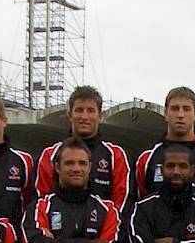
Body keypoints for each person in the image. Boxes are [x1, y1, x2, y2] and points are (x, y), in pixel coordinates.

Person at [34, 85, 133, 214]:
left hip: (104, 226)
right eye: (79, 110)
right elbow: (42, 201)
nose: (84, 117)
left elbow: (122, 203)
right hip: (59, 226)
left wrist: (108, 224)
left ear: (100, 116)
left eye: (90, 111)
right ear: (70, 115)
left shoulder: (116, 156)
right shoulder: (50, 155)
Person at [134, 85, 195, 207]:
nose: (180, 115)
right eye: (175, 109)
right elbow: (138, 208)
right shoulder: (145, 159)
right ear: (165, 113)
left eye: (186, 109)